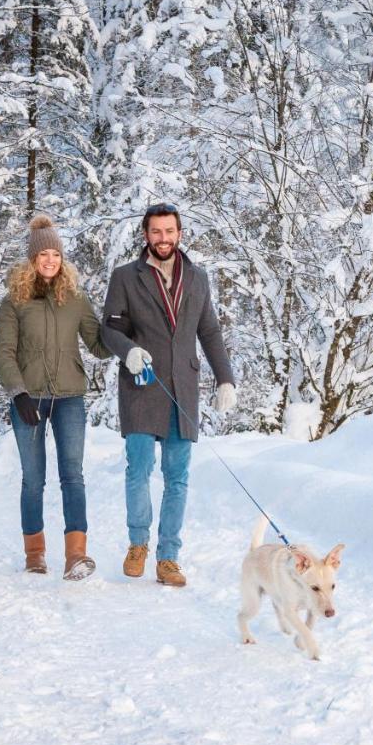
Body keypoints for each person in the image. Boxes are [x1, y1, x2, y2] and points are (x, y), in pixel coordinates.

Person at [101, 202, 237, 587]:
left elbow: (208, 331)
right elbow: (108, 329)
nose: (163, 238)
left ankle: (168, 558)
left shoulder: (197, 277)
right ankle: (138, 544)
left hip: (183, 388)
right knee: (139, 469)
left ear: (179, 233)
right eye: (156, 232)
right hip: (142, 385)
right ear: (146, 234)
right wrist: (128, 351)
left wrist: (225, 378)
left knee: (177, 477)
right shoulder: (126, 276)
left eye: (169, 231)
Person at [0, 214, 111, 580]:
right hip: (28, 401)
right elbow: (3, 352)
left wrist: (123, 328)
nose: (50, 260)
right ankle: (35, 554)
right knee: (33, 478)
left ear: (62, 259)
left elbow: (98, 345)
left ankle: (76, 556)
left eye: (55, 255)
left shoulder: (74, 299)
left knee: (72, 475)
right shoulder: (14, 302)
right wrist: (18, 393)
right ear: (32, 259)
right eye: (43, 254)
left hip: (69, 398)